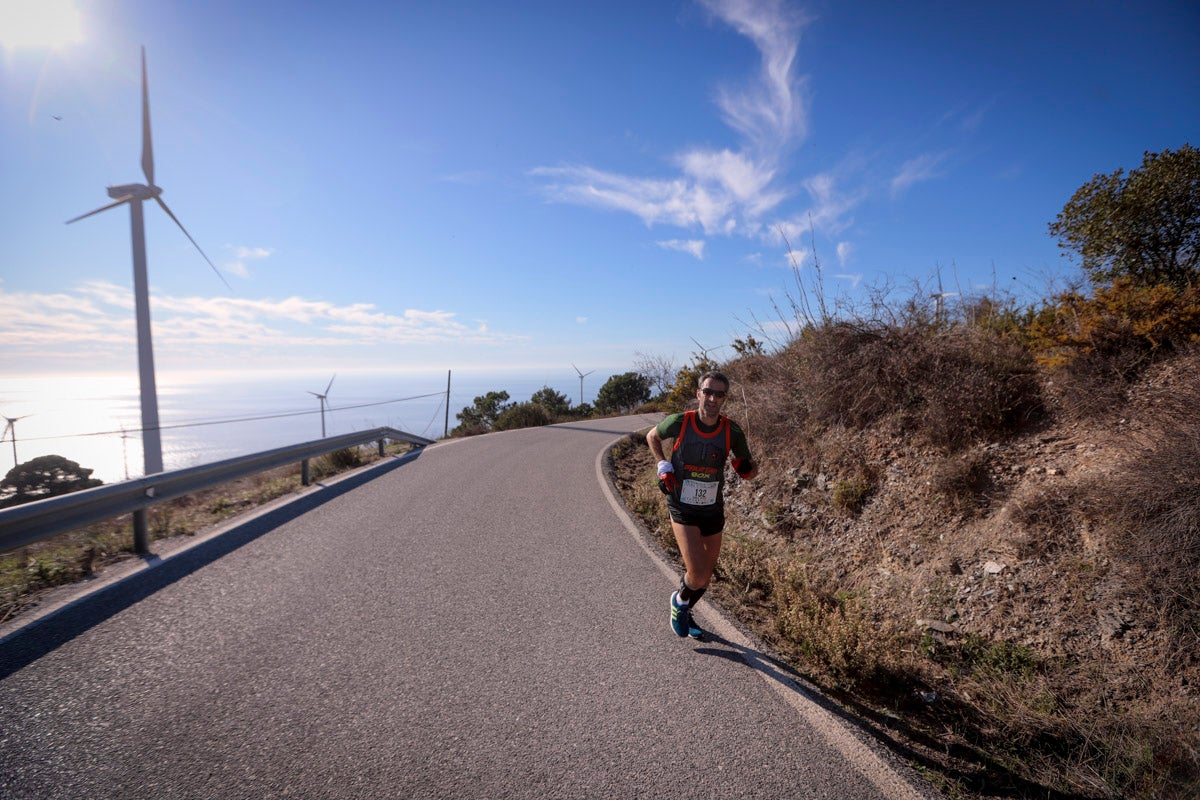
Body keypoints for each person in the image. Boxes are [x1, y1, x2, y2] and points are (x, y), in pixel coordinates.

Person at [646, 370, 758, 640]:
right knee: (696, 574)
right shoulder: (680, 422)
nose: (712, 398)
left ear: (724, 399)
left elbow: (750, 469)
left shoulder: (731, 430)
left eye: (719, 394)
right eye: (707, 392)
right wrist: (662, 464)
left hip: (712, 508)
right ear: (698, 394)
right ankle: (679, 601)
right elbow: (652, 436)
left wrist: (747, 469)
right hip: (682, 505)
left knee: (705, 575)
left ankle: (685, 607)